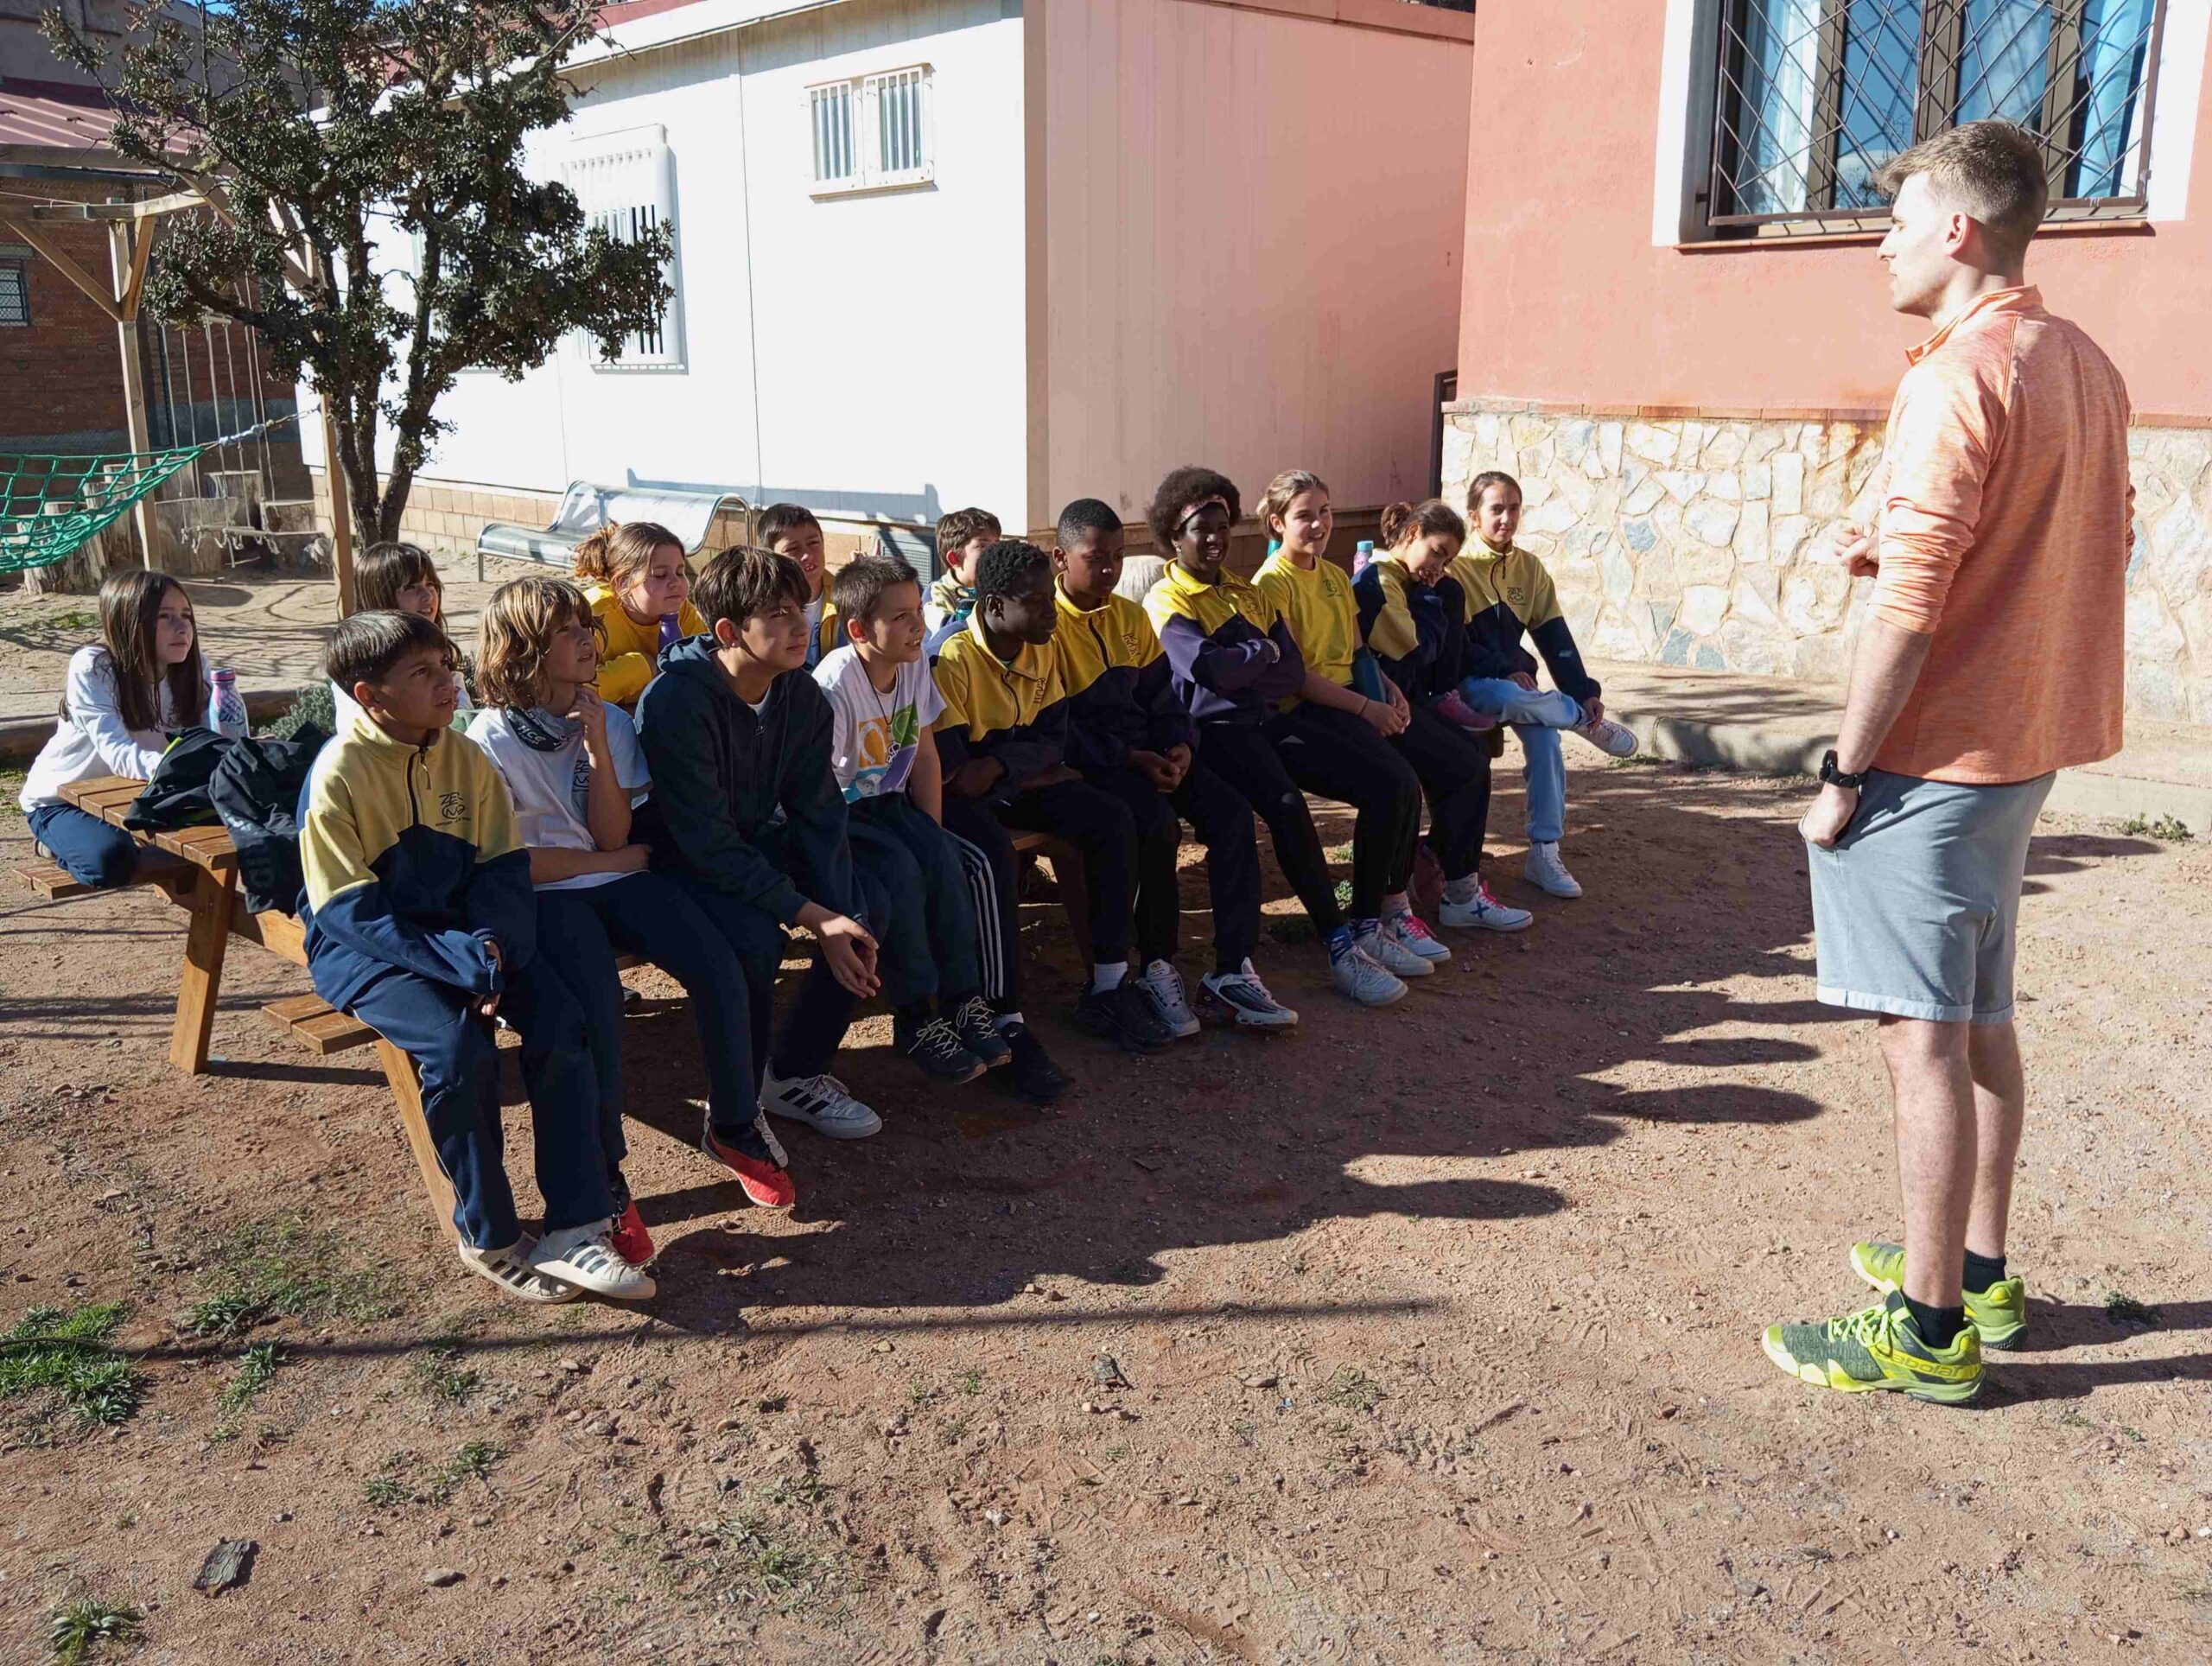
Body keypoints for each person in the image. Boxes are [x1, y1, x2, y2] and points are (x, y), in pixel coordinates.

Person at [1763, 121, 2134, 1405]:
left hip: (1931, 760)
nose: (1880, 242)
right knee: (1978, 1020)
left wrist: (1840, 775)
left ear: (1959, 232)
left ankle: (1928, 1333)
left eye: (1898, 219)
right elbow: (2095, 539)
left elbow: (1913, 603)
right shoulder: (2080, 361)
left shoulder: (1959, 376)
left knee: (1920, 1043)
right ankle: (1976, 1270)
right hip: (2022, 746)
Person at [300, 609, 649, 1303]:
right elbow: (347, 910)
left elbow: (503, 872)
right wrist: (460, 964)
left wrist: (490, 950)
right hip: (370, 950)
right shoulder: (340, 772)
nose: (445, 683)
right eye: (421, 674)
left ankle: (575, 1225)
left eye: (446, 666)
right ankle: (487, 1233)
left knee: (560, 1019)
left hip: (471, 939)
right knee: (459, 1050)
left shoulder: (462, 756)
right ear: (370, 696)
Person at [467, 576, 790, 1252]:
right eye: (568, 631)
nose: (589, 640)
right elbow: (517, 865)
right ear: (523, 651)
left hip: (611, 874)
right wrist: (608, 865)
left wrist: (599, 753)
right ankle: (606, 1175)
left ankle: (732, 1124)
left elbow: (614, 835)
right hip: (548, 898)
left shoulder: (606, 719)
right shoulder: (488, 740)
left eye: (588, 624)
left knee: (720, 963)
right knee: (599, 1011)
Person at [634, 546, 885, 1147]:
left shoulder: (798, 694)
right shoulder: (675, 702)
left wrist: (836, 912)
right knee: (753, 941)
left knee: (867, 910)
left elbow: (819, 811)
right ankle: (734, 1116)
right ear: (728, 631)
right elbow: (705, 842)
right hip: (673, 862)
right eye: (776, 614)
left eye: (799, 608)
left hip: (747, 846)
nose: (799, 625)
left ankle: (794, 1073)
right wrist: (812, 916)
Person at [1141, 466, 1405, 1008]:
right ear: (1173, 536)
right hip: (1206, 735)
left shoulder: (1244, 592)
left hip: (1255, 726)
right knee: (1280, 808)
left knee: (1323, 800)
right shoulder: (1168, 599)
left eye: (1222, 525)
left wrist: (1250, 661)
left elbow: (1288, 674)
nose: (1215, 538)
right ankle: (1332, 945)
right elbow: (1205, 670)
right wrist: (1260, 654)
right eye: (1200, 528)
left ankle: (1346, 937)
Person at [1052, 496, 1296, 1033]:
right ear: (1060, 559)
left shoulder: (1130, 616)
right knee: (1157, 826)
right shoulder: (1047, 630)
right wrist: (1132, 758)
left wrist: (1180, 744)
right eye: (1096, 559)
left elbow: (1165, 700)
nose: (1111, 569)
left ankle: (1232, 970)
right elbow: (1063, 730)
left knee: (1232, 814)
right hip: (1101, 767)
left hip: (1154, 757)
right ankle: (1157, 966)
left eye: (1118, 556)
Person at [933, 538, 1179, 1059]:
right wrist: (1023, 767)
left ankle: (1109, 985)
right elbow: (958, 776)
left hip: (1011, 784)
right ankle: (1004, 1012)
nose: (1052, 611)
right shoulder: (951, 657)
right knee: (994, 857)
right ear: (995, 605)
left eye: (1051, 596)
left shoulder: (1042, 647)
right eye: (1037, 600)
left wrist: (1003, 764)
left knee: (1112, 818)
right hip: (970, 805)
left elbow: (1052, 741)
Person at [812, 553, 1016, 1084]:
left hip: (892, 806)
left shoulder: (913, 664)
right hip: (846, 814)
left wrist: (932, 832)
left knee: (944, 861)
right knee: (901, 874)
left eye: (917, 611)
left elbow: (924, 755)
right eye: (900, 617)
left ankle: (962, 1001)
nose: (917, 625)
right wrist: (908, 844)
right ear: (858, 629)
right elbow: (819, 792)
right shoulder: (834, 684)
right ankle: (915, 1018)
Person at [1252, 470, 1449, 976]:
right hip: (1298, 717)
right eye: (1303, 515)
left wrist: (1390, 692)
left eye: (1324, 511)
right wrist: (1366, 709)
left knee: (1404, 782)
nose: (1318, 524)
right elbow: (1296, 679)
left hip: (1345, 704)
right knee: (1388, 785)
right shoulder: (1271, 584)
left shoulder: (1336, 576)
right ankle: (1366, 921)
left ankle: (1389, 909)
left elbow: (1360, 653)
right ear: (1278, 522)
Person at [1454, 471, 1639, 899]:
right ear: (1474, 516)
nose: (1507, 518)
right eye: (1496, 509)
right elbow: (1458, 648)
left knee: (1545, 743)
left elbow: (1555, 638)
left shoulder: (1529, 568)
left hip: (1522, 690)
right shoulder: (1457, 567)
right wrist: (1504, 668)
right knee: (1505, 693)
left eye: (1514, 508)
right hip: (1473, 685)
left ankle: (1544, 851)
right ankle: (1578, 722)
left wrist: (1584, 691)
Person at [1356, 499, 1535, 934]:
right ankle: (1433, 893)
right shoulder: (1377, 580)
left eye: (1448, 558)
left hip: (1410, 699)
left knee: (1473, 755)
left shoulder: (1413, 581)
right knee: (1461, 765)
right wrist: (1432, 596)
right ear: (1412, 533)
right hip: (1376, 707)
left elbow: (1439, 653)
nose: (1438, 565)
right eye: (1436, 552)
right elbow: (1417, 648)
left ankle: (1457, 884)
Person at [21, 569, 209, 887]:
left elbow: (213, 739)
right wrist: (186, 767)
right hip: (63, 802)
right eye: (165, 617)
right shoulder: (94, 667)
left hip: (142, 794)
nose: (182, 628)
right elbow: (118, 752)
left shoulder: (194, 667)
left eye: (186, 616)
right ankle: (51, 843)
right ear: (130, 623)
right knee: (112, 861)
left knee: (234, 836)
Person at [317, 541, 474, 735]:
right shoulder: (359, 668)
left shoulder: (439, 650)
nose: (427, 595)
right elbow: (358, 735)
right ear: (381, 596)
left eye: (430, 584)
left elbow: (463, 716)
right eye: (412, 587)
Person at [573, 521, 704, 709]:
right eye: (660, 575)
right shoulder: (593, 616)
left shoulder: (681, 609)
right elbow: (572, 687)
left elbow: (708, 663)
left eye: (680, 572)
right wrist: (640, 669)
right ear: (622, 583)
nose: (676, 582)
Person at [753, 504, 842, 667]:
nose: (807, 555)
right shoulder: (763, 606)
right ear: (770, 556)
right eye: (793, 549)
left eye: (814, 543)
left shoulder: (844, 595)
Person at [923, 506, 1002, 646]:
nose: (994, 554)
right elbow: (947, 634)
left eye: (996, 544)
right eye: (982, 546)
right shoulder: (937, 593)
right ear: (955, 558)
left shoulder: (998, 586)